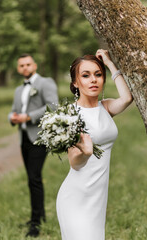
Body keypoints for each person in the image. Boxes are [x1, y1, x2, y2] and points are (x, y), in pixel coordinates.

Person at [56, 49, 133, 240]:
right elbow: (75, 162)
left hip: (98, 198)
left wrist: (108, 62)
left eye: (98, 75)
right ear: (75, 82)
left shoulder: (105, 107)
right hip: (76, 197)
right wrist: (85, 153)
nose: (93, 80)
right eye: (86, 75)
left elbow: (127, 98)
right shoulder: (70, 115)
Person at [8, 53, 58, 237]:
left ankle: (35, 223)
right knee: (32, 179)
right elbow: (13, 111)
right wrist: (12, 118)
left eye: (28, 64)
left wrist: (29, 117)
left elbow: (53, 106)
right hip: (23, 138)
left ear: (34, 65)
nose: (25, 68)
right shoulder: (18, 90)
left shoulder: (46, 83)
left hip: (38, 137)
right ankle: (40, 215)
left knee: (34, 178)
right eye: (21, 65)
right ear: (18, 68)